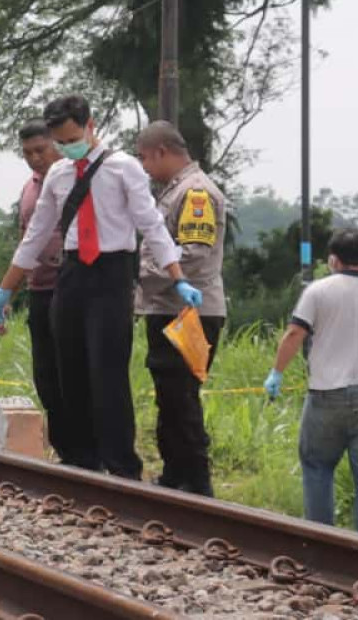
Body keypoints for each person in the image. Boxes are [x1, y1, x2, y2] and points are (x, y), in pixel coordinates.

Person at [0, 96, 201, 479]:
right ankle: (82, 462)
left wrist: (177, 277)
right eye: (60, 141)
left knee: (107, 372)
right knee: (70, 370)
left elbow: (151, 225)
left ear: (90, 125)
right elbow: (35, 236)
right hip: (72, 276)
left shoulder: (124, 169)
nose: (66, 146)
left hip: (112, 273)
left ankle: (121, 467)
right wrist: (6, 290)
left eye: (71, 137)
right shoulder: (59, 174)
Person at [263, 228, 358, 538]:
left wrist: (277, 373)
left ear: (333, 259)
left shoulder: (319, 291)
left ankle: (321, 541)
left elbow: (294, 334)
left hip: (325, 395)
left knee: (317, 467)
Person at [134, 121, 226, 497]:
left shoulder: (196, 192)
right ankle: (175, 473)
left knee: (181, 395)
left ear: (161, 152)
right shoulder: (173, 191)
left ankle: (196, 480)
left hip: (190, 312)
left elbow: (193, 257)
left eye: (144, 158)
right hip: (166, 307)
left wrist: (139, 273)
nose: (143, 167)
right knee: (167, 394)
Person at [14, 120, 68, 460]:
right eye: (28, 153)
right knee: (45, 373)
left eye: (40, 150)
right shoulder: (29, 188)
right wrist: (10, 290)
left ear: (56, 145)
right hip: (39, 288)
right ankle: (63, 447)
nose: (35, 158)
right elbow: (25, 238)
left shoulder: (74, 181)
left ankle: (82, 449)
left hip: (69, 287)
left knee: (71, 371)